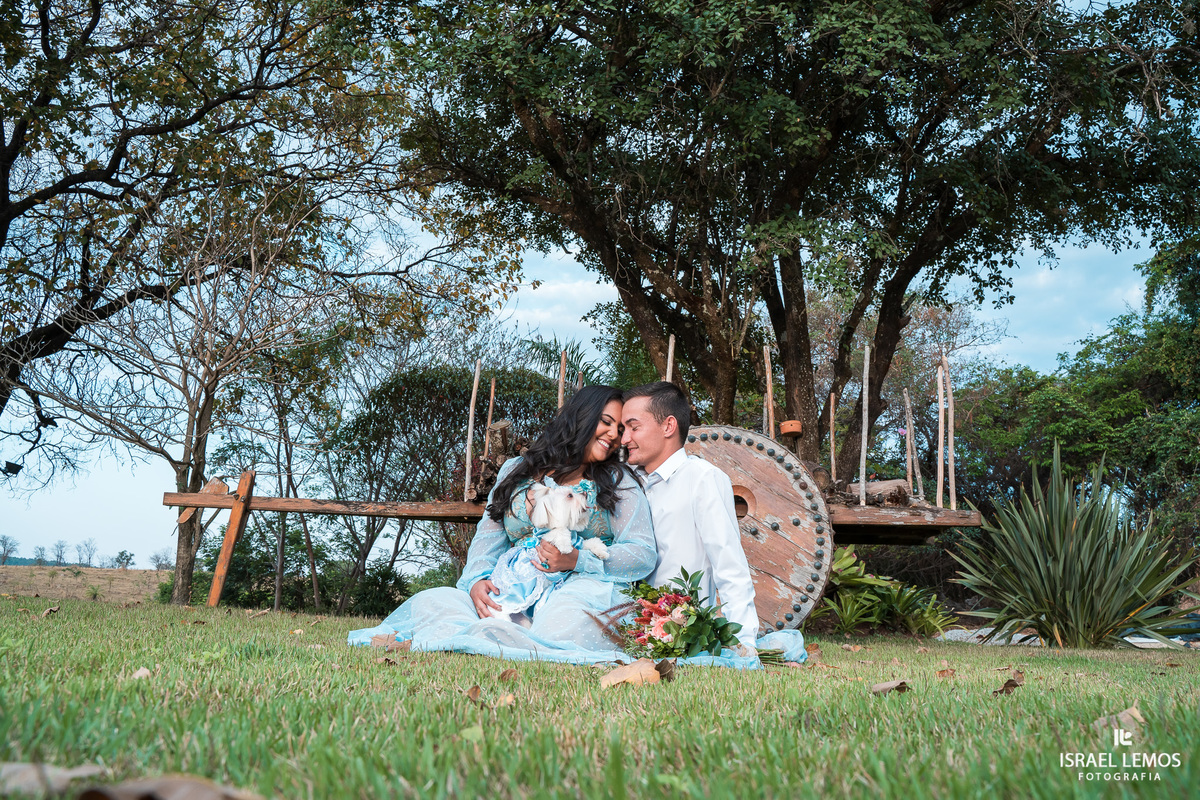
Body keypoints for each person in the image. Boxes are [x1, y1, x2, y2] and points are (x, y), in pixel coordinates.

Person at [347, 385, 656, 663]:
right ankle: (498, 632)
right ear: (581, 416)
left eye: (620, 429)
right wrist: (477, 584)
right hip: (510, 586)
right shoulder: (517, 470)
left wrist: (577, 560)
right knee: (435, 601)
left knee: (565, 621)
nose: (615, 435)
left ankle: (502, 637)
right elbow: (487, 541)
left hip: (579, 589)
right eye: (606, 422)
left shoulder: (618, 482)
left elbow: (642, 554)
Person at [619, 381, 759, 651]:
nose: (625, 439)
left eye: (634, 428)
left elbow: (729, 565)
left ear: (668, 426)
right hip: (625, 621)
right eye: (624, 430)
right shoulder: (628, 483)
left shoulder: (702, 479)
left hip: (678, 628)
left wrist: (744, 643)